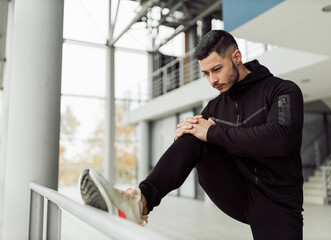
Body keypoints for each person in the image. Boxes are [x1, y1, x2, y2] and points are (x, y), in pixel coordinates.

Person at [80, 30, 304, 239]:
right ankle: (139, 203)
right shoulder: (214, 108)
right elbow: (200, 142)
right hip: (236, 190)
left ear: (237, 57)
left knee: (203, 132)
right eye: (206, 73)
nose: (212, 80)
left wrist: (214, 132)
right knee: (193, 134)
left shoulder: (281, 90)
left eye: (216, 69)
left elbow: (279, 139)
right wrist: (185, 137)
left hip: (277, 201)